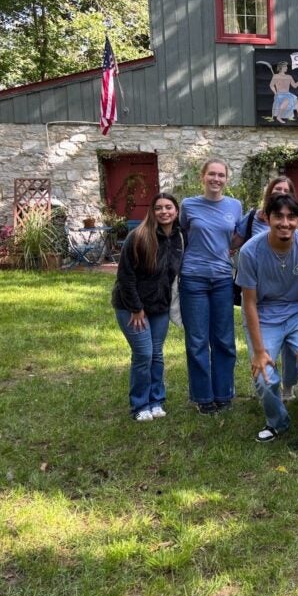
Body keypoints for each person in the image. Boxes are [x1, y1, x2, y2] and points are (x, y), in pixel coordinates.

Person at [237, 193, 298, 453]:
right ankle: (277, 421)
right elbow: (250, 303)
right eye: (278, 216)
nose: (285, 223)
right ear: (267, 218)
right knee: (264, 375)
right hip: (264, 313)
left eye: (291, 217)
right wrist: (259, 351)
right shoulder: (250, 252)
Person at [112, 192, 184, 421]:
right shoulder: (139, 236)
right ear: (152, 212)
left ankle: (156, 401)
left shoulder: (179, 238)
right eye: (159, 208)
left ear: (176, 211)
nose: (164, 212)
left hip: (159, 307)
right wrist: (136, 308)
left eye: (169, 207)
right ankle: (140, 405)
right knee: (144, 354)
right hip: (132, 307)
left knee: (157, 354)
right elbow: (126, 276)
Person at [179, 158, 242, 414]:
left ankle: (224, 393)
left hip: (222, 279)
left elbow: (238, 234)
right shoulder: (188, 205)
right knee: (197, 341)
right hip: (193, 277)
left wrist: (230, 249)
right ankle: (203, 397)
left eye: (221, 175)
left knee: (224, 340)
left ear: (227, 179)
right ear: (202, 177)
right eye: (211, 175)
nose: (216, 179)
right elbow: (181, 234)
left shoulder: (235, 206)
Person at [234, 175, 298, 402]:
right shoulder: (252, 217)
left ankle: (289, 387)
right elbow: (235, 242)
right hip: (258, 291)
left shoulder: (295, 222)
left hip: (287, 292)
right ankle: (269, 385)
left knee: (292, 350)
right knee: (265, 346)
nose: (281, 193)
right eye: (276, 189)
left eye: (286, 190)